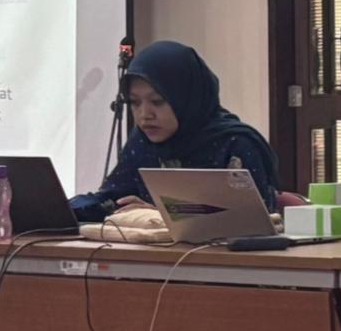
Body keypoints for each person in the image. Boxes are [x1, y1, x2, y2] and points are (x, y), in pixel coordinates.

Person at [70, 40, 280, 222]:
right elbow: (112, 198)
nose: (144, 115)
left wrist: (164, 215)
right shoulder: (143, 143)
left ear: (187, 99)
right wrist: (64, 209)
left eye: (157, 101)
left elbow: (256, 220)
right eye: (134, 103)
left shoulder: (235, 143)